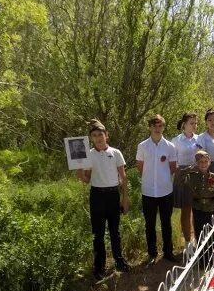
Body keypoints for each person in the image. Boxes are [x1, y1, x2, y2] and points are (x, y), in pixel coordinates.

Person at [76, 119, 129, 280]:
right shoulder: (88, 155)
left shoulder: (115, 152)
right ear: (91, 138)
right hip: (97, 196)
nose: (98, 138)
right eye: (94, 135)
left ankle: (119, 261)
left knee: (115, 231)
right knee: (97, 233)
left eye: (101, 134)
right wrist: (80, 172)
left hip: (113, 195)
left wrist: (124, 198)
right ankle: (99, 266)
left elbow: (123, 177)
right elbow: (86, 179)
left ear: (107, 135)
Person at [136, 114, 177, 264]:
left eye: (160, 125)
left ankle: (168, 252)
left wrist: (162, 178)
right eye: (155, 125)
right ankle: (152, 253)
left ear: (163, 127)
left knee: (166, 223)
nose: (157, 128)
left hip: (166, 190)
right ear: (150, 127)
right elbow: (140, 168)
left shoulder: (170, 146)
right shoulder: (142, 146)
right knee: (150, 224)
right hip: (148, 191)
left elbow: (173, 168)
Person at [171, 112, 200, 254]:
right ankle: (188, 243)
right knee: (186, 209)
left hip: (198, 175)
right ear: (184, 124)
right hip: (182, 175)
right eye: (191, 123)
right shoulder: (176, 140)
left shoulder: (200, 139)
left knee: (198, 209)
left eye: (196, 123)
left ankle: (198, 240)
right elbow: (172, 160)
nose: (194, 125)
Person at [183, 150, 214, 243]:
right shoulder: (192, 177)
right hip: (198, 208)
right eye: (201, 162)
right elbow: (181, 180)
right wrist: (188, 169)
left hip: (211, 208)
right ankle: (201, 254)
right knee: (199, 232)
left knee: (211, 231)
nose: (204, 164)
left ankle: (211, 253)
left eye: (206, 161)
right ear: (197, 163)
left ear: (210, 162)